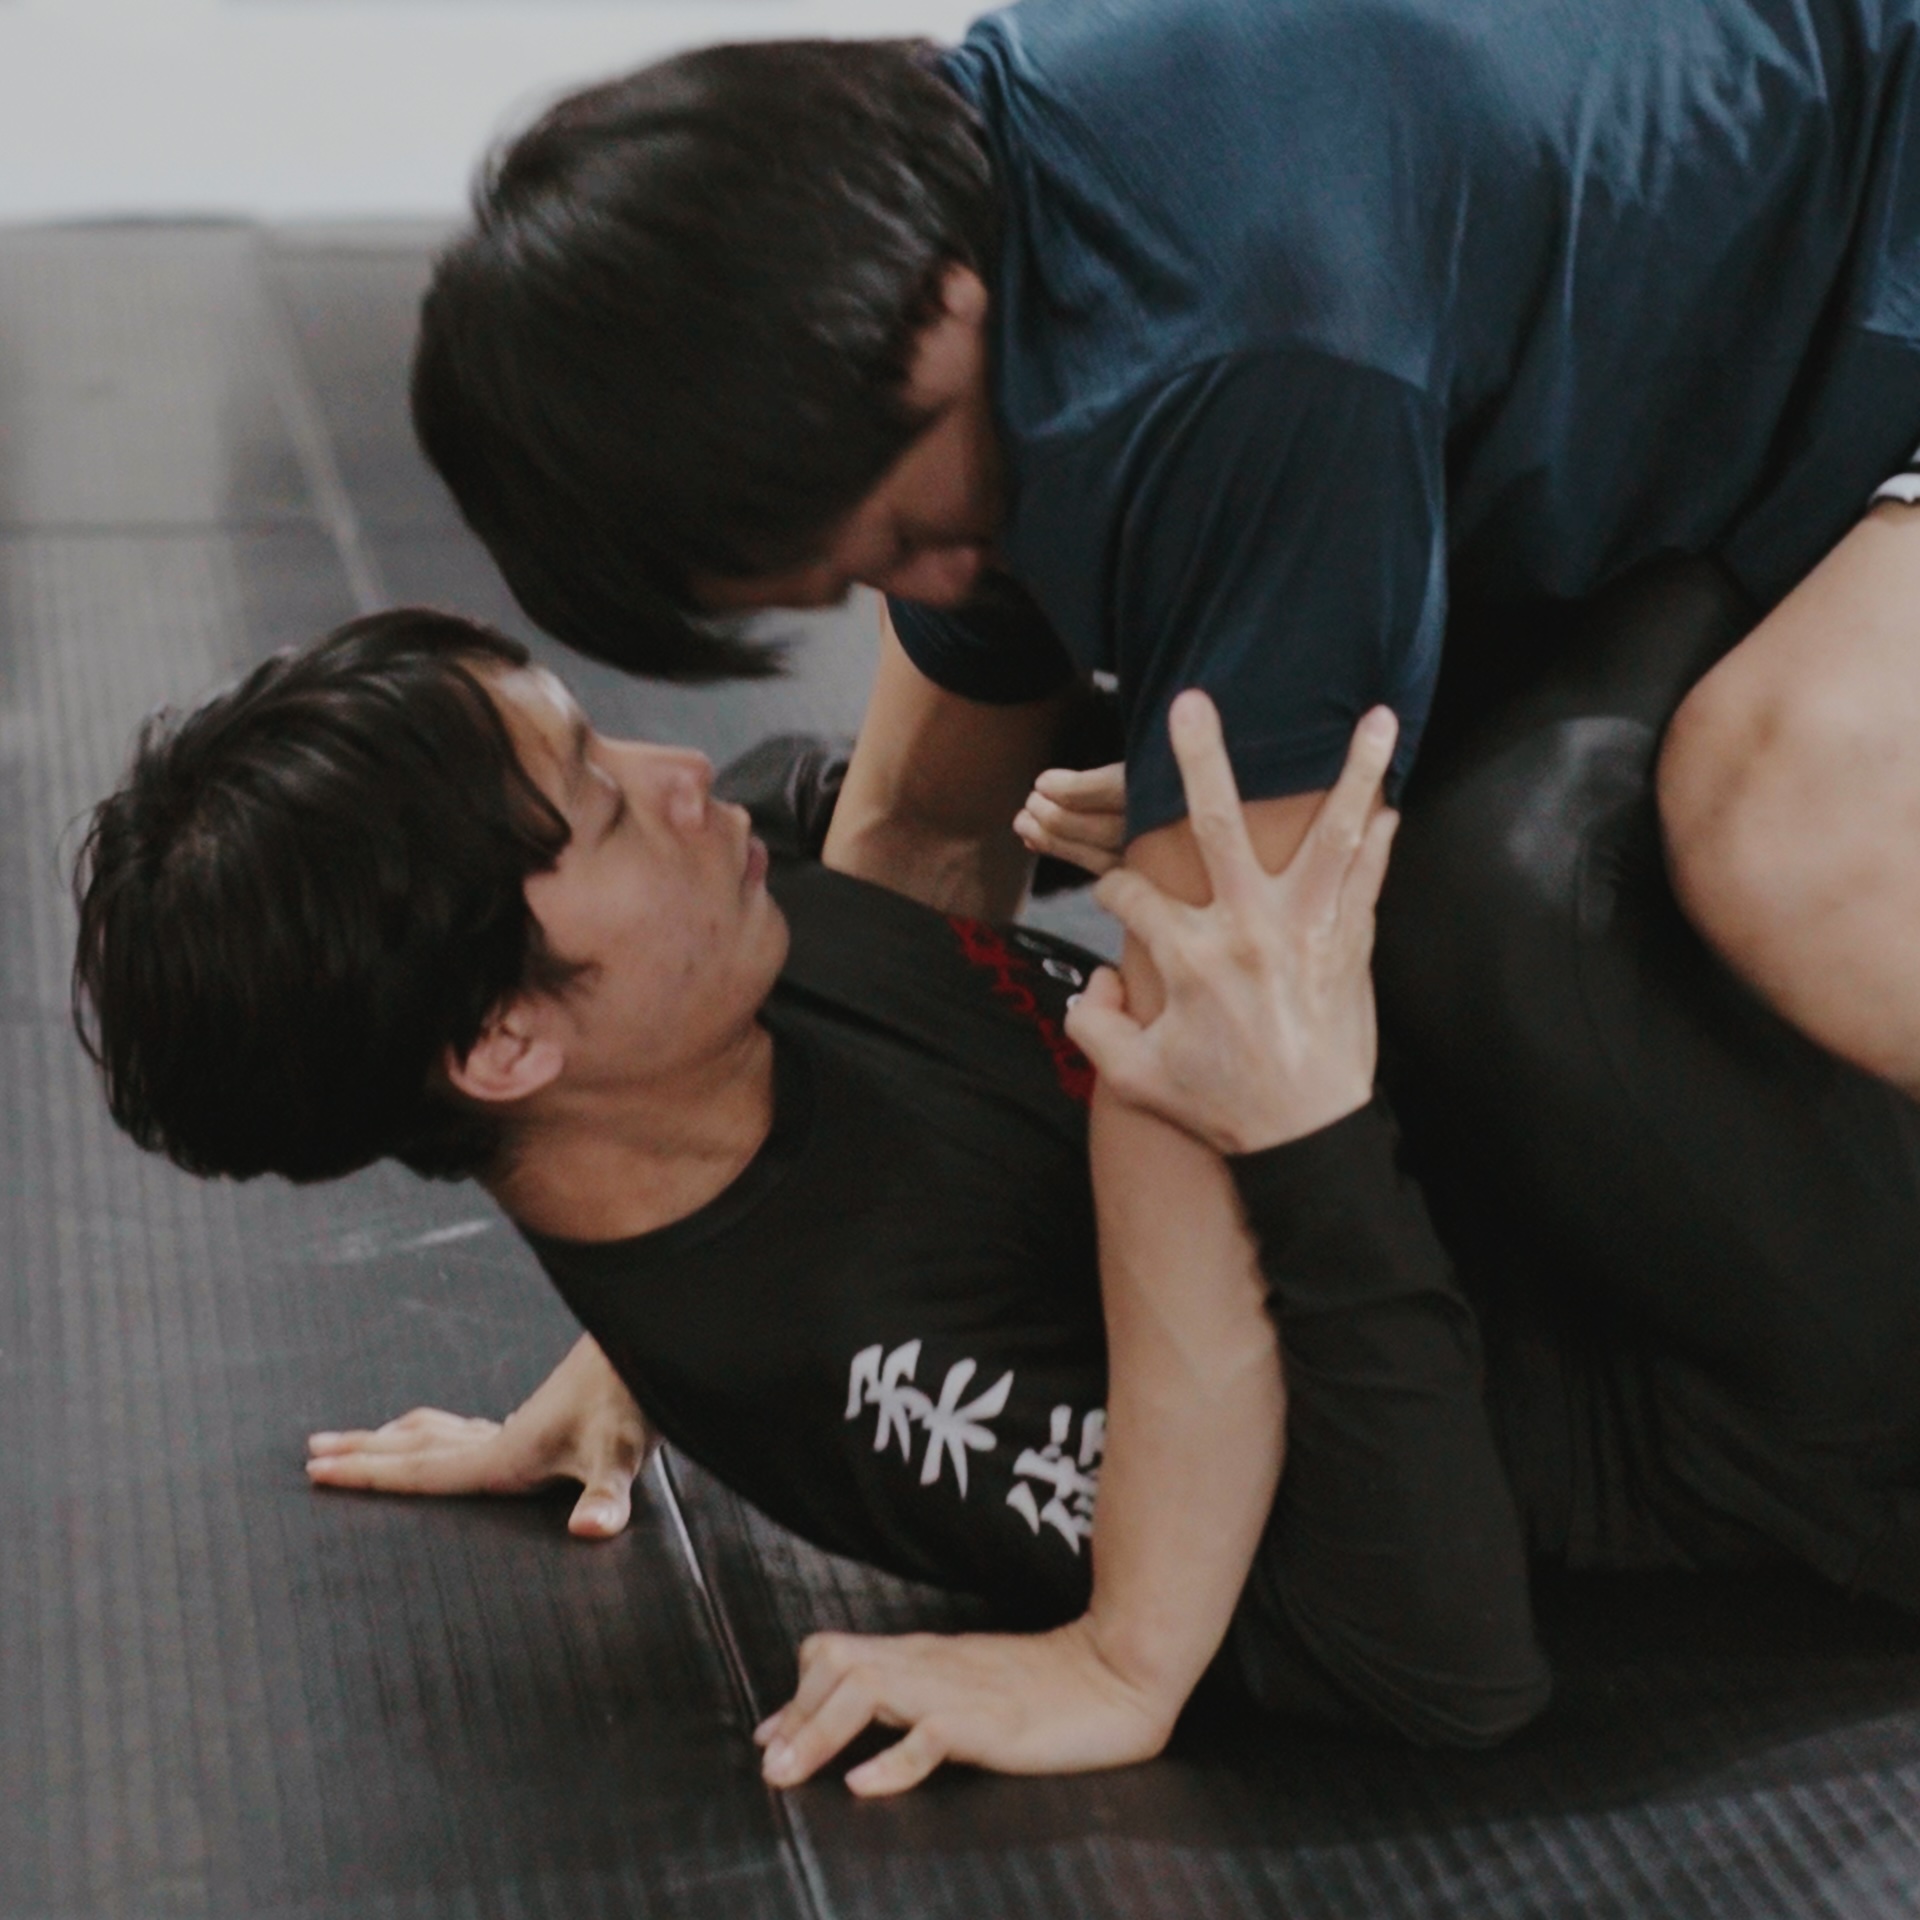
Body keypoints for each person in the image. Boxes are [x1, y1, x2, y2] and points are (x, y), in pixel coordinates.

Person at [406, 0, 1920, 1781]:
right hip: (1791, 320)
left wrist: (1126, 1655)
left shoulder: (1234, 347)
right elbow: (913, 846)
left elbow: (1206, 1035)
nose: (948, 583)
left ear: (934, 322)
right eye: (869, 573)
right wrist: (669, 1294)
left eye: (902, 539)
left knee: (1780, 819)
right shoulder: (947, 248)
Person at [72, 583, 1920, 1794]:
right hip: (1773, 1412)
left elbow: (838, 810)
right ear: (501, 1047)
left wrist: (604, 1343)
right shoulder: (865, 1365)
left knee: (1589, 565)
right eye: (603, 804)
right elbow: (1433, 1659)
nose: (676, 771)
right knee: (1516, 880)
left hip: (1612, 1155)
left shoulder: (682, 998)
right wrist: (1305, 1136)